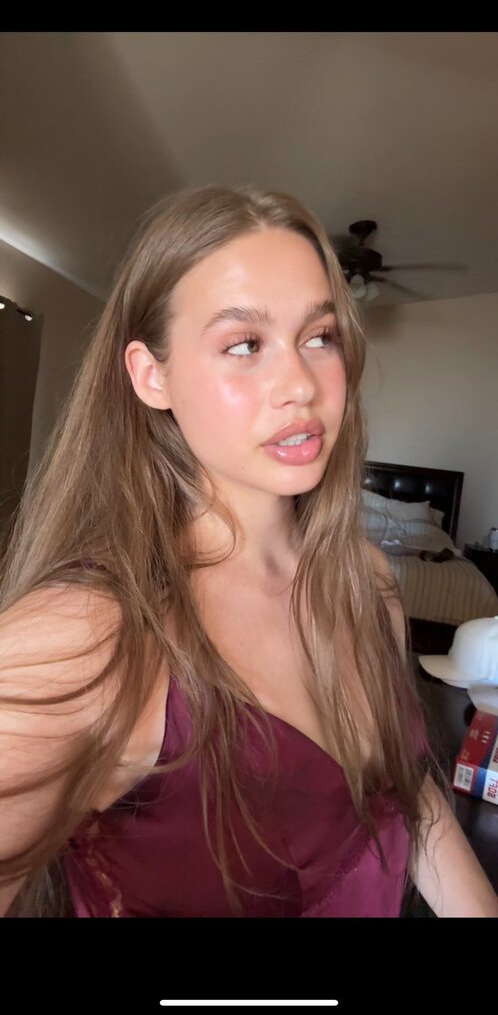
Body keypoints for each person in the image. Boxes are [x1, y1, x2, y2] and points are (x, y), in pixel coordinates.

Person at [0, 184, 497, 919]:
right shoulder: (84, 637)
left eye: (320, 336)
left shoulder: (367, 585)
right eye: (244, 344)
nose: (301, 385)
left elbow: (405, 793)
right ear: (152, 376)